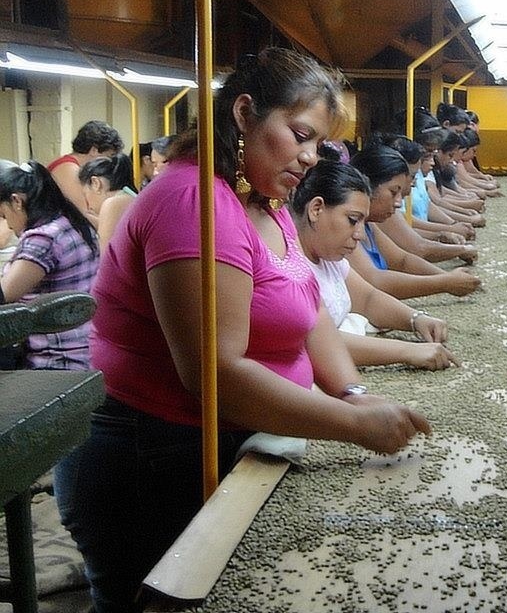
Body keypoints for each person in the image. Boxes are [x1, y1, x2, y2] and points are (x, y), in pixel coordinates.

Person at [54, 48, 430, 613]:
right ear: (245, 113)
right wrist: (351, 425)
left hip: (224, 442)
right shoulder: (195, 202)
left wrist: (352, 391)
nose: (308, 157)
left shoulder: (266, 203)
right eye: (299, 134)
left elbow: (308, 315)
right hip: (150, 456)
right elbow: (215, 371)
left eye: (318, 144)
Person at [291, 158, 460, 370]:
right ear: (316, 209)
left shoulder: (329, 259)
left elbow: (368, 298)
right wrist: (406, 351)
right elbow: (315, 340)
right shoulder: (288, 264)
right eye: (353, 220)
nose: (360, 235)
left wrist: (415, 319)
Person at [347, 145, 482, 300]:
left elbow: (402, 260)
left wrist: (448, 277)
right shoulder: (348, 231)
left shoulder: (370, 225)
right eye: (393, 192)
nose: (398, 202)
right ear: (367, 186)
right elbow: (374, 282)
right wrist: (444, 282)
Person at [0, 160, 99, 369]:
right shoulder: (71, 222)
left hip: (55, 359)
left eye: (3, 214)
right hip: (85, 349)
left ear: (16, 201)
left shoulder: (43, 239)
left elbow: (4, 294)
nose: (7, 223)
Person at [48, 120, 124, 227]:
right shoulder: (69, 169)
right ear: (94, 150)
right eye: (109, 155)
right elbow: (83, 214)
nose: (110, 162)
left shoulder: (76, 168)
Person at [78, 154, 138, 253]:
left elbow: (106, 258)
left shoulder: (113, 204)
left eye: (85, 194)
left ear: (96, 183)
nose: (89, 205)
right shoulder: (128, 196)